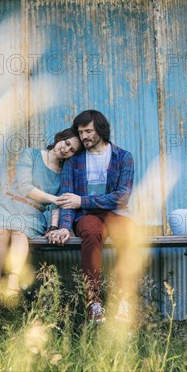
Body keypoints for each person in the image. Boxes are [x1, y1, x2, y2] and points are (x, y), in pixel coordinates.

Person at [48, 110, 137, 323]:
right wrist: (64, 227)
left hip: (115, 213)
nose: (84, 136)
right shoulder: (73, 162)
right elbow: (68, 200)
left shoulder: (123, 157)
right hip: (86, 215)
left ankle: (124, 300)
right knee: (90, 232)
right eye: (81, 132)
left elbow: (122, 198)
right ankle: (94, 302)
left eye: (88, 131)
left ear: (101, 129)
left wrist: (83, 200)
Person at [0, 128, 80, 316]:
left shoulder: (63, 173)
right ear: (60, 137)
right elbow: (25, 187)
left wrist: (53, 226)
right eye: (66, 143)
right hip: (8, 205)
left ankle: (13, 282)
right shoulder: (31, 154)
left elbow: (56, 207)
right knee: (1, 231)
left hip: (33, 214)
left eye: (72, 150)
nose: (66, 149)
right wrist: (53, 198)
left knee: (20, 232)